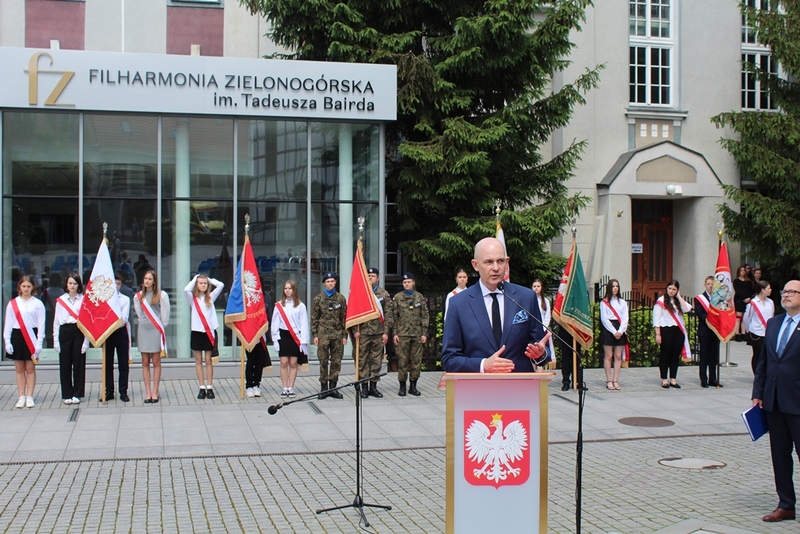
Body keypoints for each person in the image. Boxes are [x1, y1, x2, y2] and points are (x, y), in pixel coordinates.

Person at [441, 237, 549, 373]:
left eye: (500, 261)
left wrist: (541, 354)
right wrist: (483, 365)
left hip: (520, 388)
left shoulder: (525, 297)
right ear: (475, 265)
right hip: (478, 390)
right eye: (489, 262)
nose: (496, 268)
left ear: (507, 262)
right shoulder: (459, 303)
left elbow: (540, 345)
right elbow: (449, 359)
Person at [752, 280, 800, 523]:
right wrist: (757, 392)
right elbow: (765, 362)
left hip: (797, 402)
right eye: (785, 291)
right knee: (780, 456)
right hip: (774, 401)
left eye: (793, 292)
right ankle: (786, 505)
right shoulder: (774, 323)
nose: (787, 295)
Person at [351, 267, 393, 399]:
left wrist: (386, 332)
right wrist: (355, 331)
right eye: (368, 276)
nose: (370, 278)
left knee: (376, 360)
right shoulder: (360, 293)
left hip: (378, 332)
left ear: (378, 278)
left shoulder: (383, 294)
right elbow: (354, 313)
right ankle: (363, 387)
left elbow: (388, 315)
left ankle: (373, 386)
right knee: (362, 360)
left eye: (373, 276)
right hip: (363, 332)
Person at [4, 276, 45, 408]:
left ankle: (30, 396)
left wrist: (39, 343)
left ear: (33, 287)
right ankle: (21, 396)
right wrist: (7, 341)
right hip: (17, 336)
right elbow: (8, 324)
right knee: (19, 368)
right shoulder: (13, 304)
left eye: (28, 286)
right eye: (23, 286)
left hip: (31, 337)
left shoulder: (38, 304)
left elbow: (41, 325)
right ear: (19, 287)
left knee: (30, 368)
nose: (26, 289)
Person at [184, 274, 224, 400]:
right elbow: (186, 290)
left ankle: (210, 386)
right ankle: (201, 387)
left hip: (208, 332)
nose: (203, 285)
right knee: (198, 361)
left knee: (208, 360)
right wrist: (195, 278)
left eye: (205, 283)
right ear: (196, 284)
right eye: (200, 283)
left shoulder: (211, 297)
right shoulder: (192, 298)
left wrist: (210, 279)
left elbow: (221, 285)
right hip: (197, 332)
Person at [53, 272, 89, 404]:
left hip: (79, 330)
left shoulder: (84, 299)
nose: (72, 286)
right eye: (70, 283)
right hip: (65, 330)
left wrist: (86, 341)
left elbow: (87, 321)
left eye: (75, 283)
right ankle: (67, 393)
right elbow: (56, 322)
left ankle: (78, 393)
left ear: (78, 285)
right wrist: (55, 339)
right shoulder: (60, 301)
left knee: (79, 363)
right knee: (65, 363)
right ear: (66, 284)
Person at [134, 269, 169, 403]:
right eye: (145, 279)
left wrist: (161, 326)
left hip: (155, 330)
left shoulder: (161, 295)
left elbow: (165, 314)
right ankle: (147, 391)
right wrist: (144, 322)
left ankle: (155, 391)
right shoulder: (138, 296)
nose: (147, 281)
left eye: (149, 279)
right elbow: (139, 312)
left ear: (154, 281)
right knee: (145, 362)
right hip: (144, 329)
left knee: (156, 361)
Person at [310, 272, 347, 400]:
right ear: (324, 283)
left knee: (336, 361)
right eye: (328, 281)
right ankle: (323, 388)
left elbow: (344, 318)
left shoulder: (341, 299)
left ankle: (333, 387)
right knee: (323, 361)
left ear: (335, 282)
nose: (330, 283)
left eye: (332, 281)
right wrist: (315, 335)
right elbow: (314, 317)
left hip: (337, 334)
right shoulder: (318, 299)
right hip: (323, 334)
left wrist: (344, 335)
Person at [393, 273, 429, 396]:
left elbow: (424, 316)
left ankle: (413, 386)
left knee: (416, 361)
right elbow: (394, 317)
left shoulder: (419, 297)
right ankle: (402, 386)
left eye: (409, 282)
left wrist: (424, 333)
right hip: (402, 334)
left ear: (413, 282)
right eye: (404, 282)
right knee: (402, 360)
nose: (407, 284)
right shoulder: (398, 298)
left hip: (416, 334)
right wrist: (395, 333)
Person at [271, 279, 308, 399]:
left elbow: (304, 323)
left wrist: (303, 341)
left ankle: (291, 387)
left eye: (290, 288)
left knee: (293, 363)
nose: (287, 290)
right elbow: (275, 323)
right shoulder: (279, 305)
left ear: (294, 290)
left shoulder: (301, 306)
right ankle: (284, 387)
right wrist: (275, 339)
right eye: (285, 288)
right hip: (283, 336)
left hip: (295, 337)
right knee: (283, 363)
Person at [653, 279, 692, 389]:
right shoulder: (661, 301)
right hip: (666, 330)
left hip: (678, 331)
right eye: (670, 288)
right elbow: (656, 318)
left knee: (675, 355)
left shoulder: (678, 301)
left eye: (674, 289)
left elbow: (687, 308)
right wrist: (658, 334)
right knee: (665, 354)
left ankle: (673, 379)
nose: (671, 291)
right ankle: (664, 379)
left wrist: (679, 296)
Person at [103, 274, 132, 402]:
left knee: (123, 364)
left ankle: (123, 391)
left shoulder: (125, 299)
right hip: (108, 333)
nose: (116, 286)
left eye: (118, 284)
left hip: (120, 332)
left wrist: (111, 320)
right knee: (108, 363)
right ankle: (109, 391)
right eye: (113, 283)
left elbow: (124, 318)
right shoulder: (104, 299)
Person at [600, 279, 628, 390]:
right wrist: (613, 331)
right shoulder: (604, 302)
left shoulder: (623, 302)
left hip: (620, 328)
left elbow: (625, 318)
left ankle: (616, 380)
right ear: (609, 288)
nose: (615, 288)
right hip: (609, 329)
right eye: (613, 286)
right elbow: (604, 319)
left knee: (617, 356)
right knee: (609, 356)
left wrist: (620, 331)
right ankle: (609, 380)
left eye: (617, 286)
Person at [694, 276, 723, 388]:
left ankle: (713, 379)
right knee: (704, 357)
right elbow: (700, 313)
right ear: (705, 285)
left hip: (715, 332)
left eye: (712, 284)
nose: (710, 286)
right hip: (705, 330)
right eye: (708, 284)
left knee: (713, 357)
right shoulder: (700, 299)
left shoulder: (719, 298)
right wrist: (710, 320)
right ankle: (704, 380)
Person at [743, 280, 774, 374]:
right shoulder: (753, 303)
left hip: (767, 332)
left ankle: (765, 373)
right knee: (757, 354)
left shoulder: (770, 302)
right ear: (762, 290)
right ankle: (757, 373)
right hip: (756, 332)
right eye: (768, 288)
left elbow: (772, 316)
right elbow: (747, 318)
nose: (770, 290)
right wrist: (750, 329)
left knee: (767, 354)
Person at [531, 279, 556, 372]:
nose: (536, 288)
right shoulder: (529, 300)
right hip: (532, 330)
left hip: (543, 329)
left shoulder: (545, 301)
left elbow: (547, 316)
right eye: (534, 286)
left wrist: (542, 327)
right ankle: (532, 374)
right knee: (533, 351)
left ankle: (540, 374)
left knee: (541, 352)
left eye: (538, 286)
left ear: (541, 288)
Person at [734, 265, 754, 339]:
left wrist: (749, 298)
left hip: (747, 300)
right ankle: (737, 333)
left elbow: (751, 291)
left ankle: (743, 333)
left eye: (744, 270)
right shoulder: (736, 281)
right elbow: (737, 291)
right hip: (739, 300)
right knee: (738, 317)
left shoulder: (748, 281)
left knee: (745, 318)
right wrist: (743, 298)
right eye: (741, 270)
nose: (742, 272)